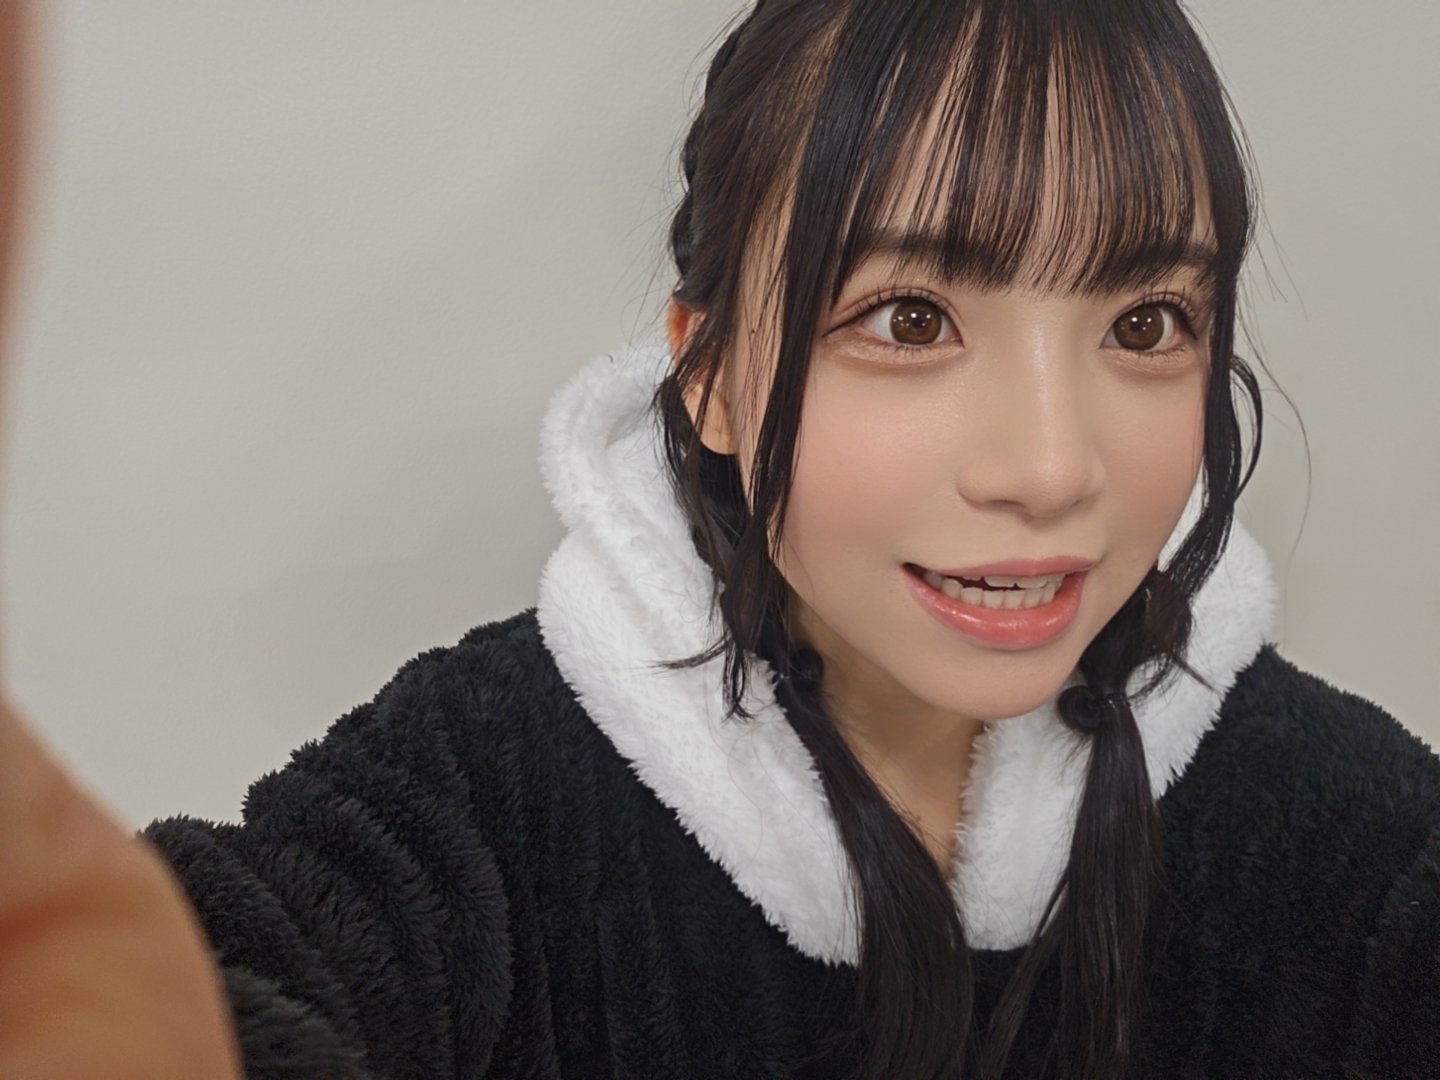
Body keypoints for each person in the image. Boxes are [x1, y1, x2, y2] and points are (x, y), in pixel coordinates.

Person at [2, 0, 1438, 1077]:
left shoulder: (1356, 850)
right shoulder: (485, 796)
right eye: (911, 319)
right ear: (710, 374)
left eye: (1146, 324)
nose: (1052, 469)